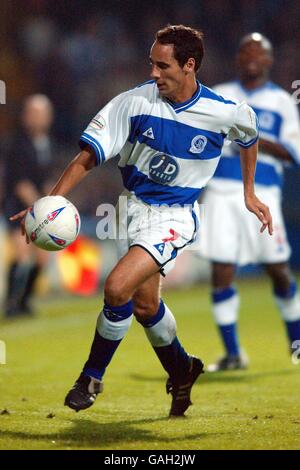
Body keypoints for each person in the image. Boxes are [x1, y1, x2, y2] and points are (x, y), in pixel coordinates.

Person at [11, 25, 272, 417]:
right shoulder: (133, 103)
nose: (153, 73)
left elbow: (249, 135)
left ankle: (90, 377)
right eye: (151, 63)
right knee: (147, 307)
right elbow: (89, 155)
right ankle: (183, 369)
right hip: (131, 210)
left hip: (175, 216)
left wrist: (249, 192)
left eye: (162, 65)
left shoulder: (221, 111)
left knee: (117, 288)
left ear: (189, 65)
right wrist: (50, 202)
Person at [198, 33, 300, 372]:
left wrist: (251, 134)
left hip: (264, 192)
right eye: (246, 51)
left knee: (279, 271)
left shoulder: (283, 101)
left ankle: (296, 344)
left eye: (260, 52)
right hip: (221, 191)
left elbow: (293, 152)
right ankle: (232, 354)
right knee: (221, 269)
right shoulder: (220, 95)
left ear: (270, 61)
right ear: (238, 59)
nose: (252, 56)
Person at [3, 94, 56, 317]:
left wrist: (55, 200)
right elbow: (20, 184)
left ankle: (25, 301)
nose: (38, 118)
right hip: (18, 208)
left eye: (42, 113)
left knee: (43, 256)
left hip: (39, 208)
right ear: (25, 116)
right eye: (34, 113)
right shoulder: (16, 144)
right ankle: (11, 304)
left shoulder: (47, 144)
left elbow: (46, 180)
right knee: (22, 254)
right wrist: (42, 205)